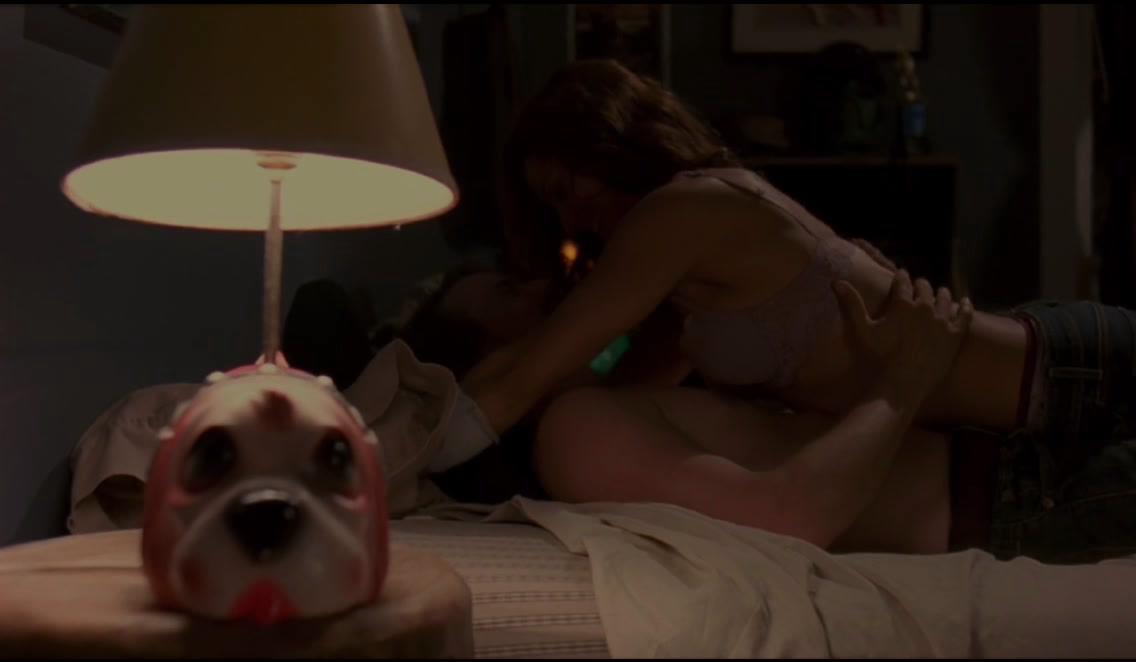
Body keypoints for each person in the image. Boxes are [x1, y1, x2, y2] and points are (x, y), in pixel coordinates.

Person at [429, 59, 1136, 561]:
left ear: (608, 139)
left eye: (566, 187)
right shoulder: (680, 285)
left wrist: (410, 457)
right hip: (1016, 427)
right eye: (552, 204)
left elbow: (528, 371)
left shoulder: (679, 213)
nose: (569, 217)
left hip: (1060, 375)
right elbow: (620, 402)